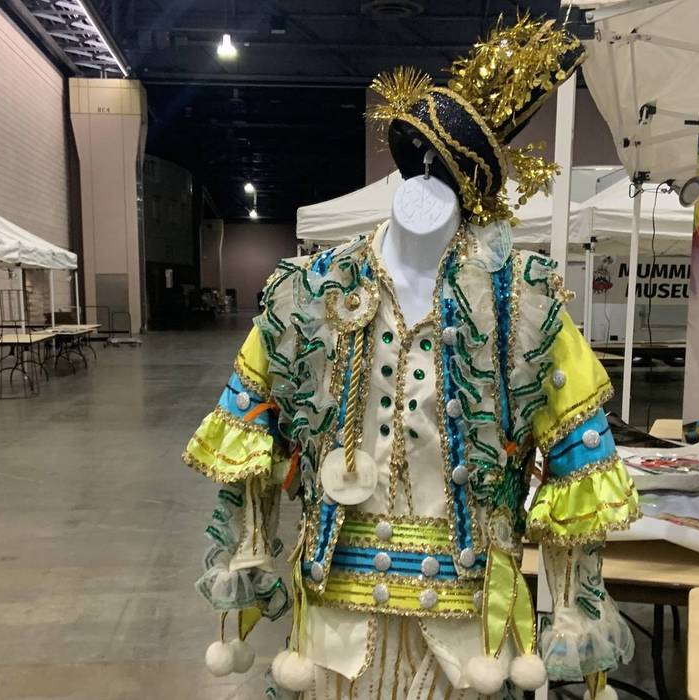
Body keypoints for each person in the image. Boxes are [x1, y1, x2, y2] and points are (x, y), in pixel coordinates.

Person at [181, 16, 638, 700]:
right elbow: (248, 438)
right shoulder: (306, 292)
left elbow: (580, 457)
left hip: (469, 614)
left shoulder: (527, 302)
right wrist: (251, 555)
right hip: (335, 606)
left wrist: (571, 608)